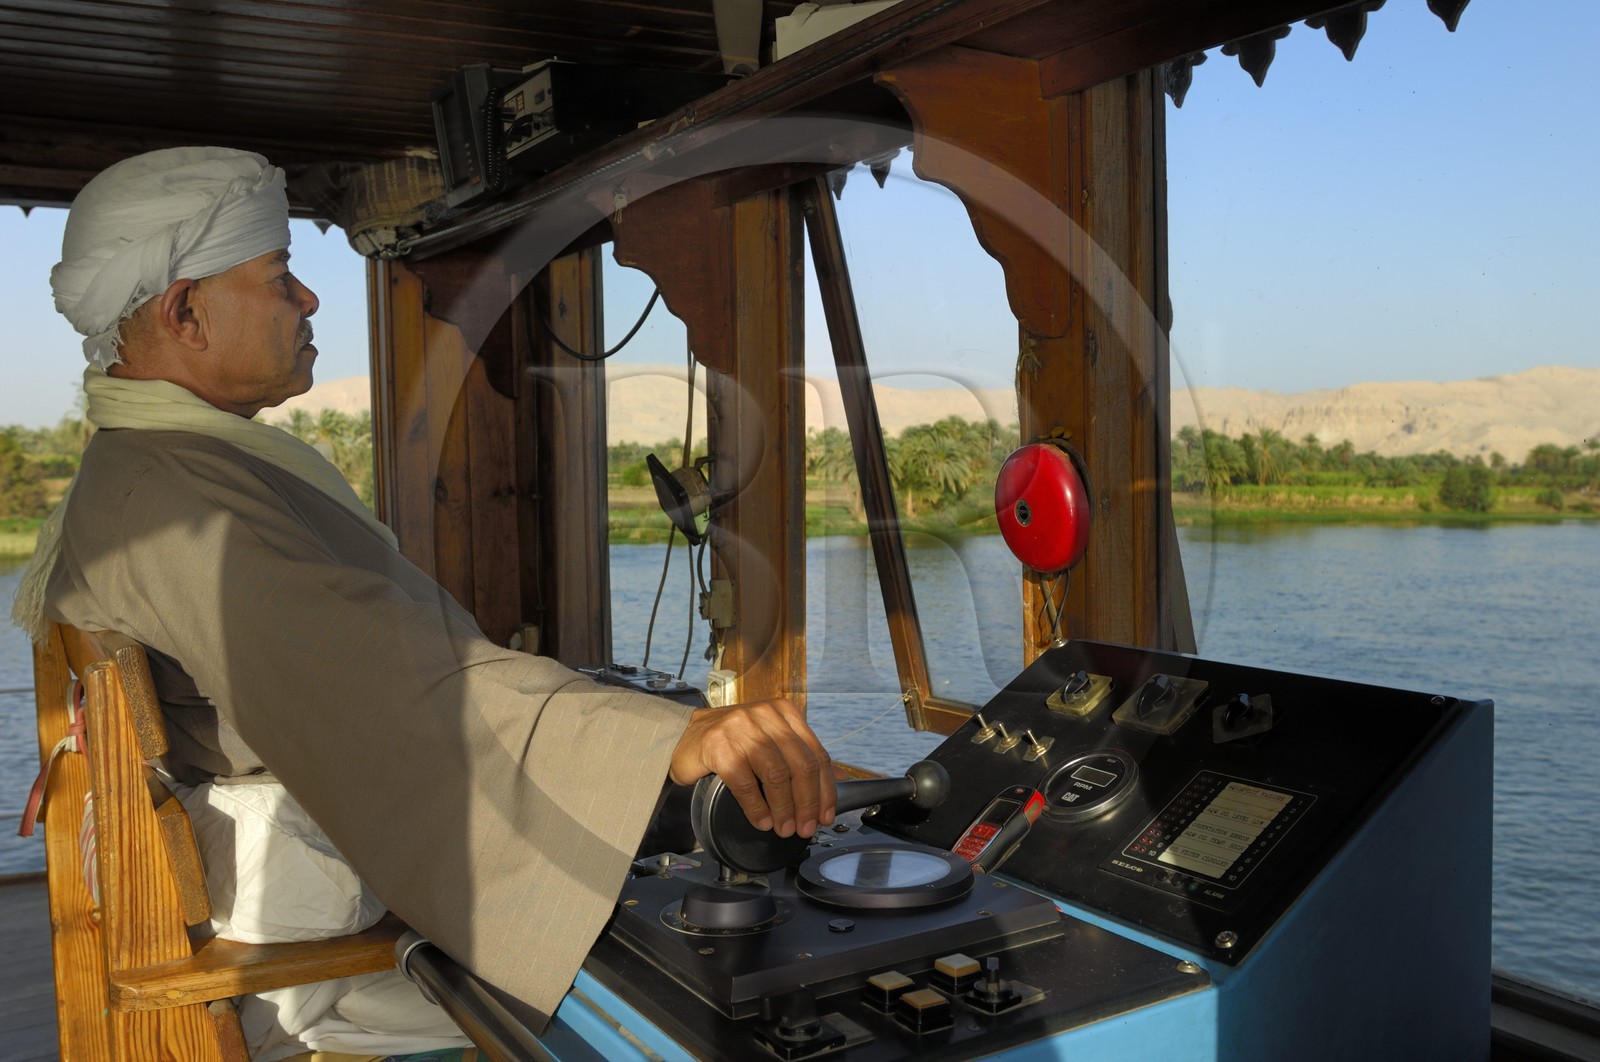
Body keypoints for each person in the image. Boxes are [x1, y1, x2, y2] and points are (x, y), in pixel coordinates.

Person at [14, 146, 836, 1060]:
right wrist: (672, 739)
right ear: (185, 311)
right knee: (700, 1011)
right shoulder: (178, 504)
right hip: (316, 971)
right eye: (281, 277)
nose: (310, 300)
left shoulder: (162, 470)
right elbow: (397, 685)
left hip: (323, 899)